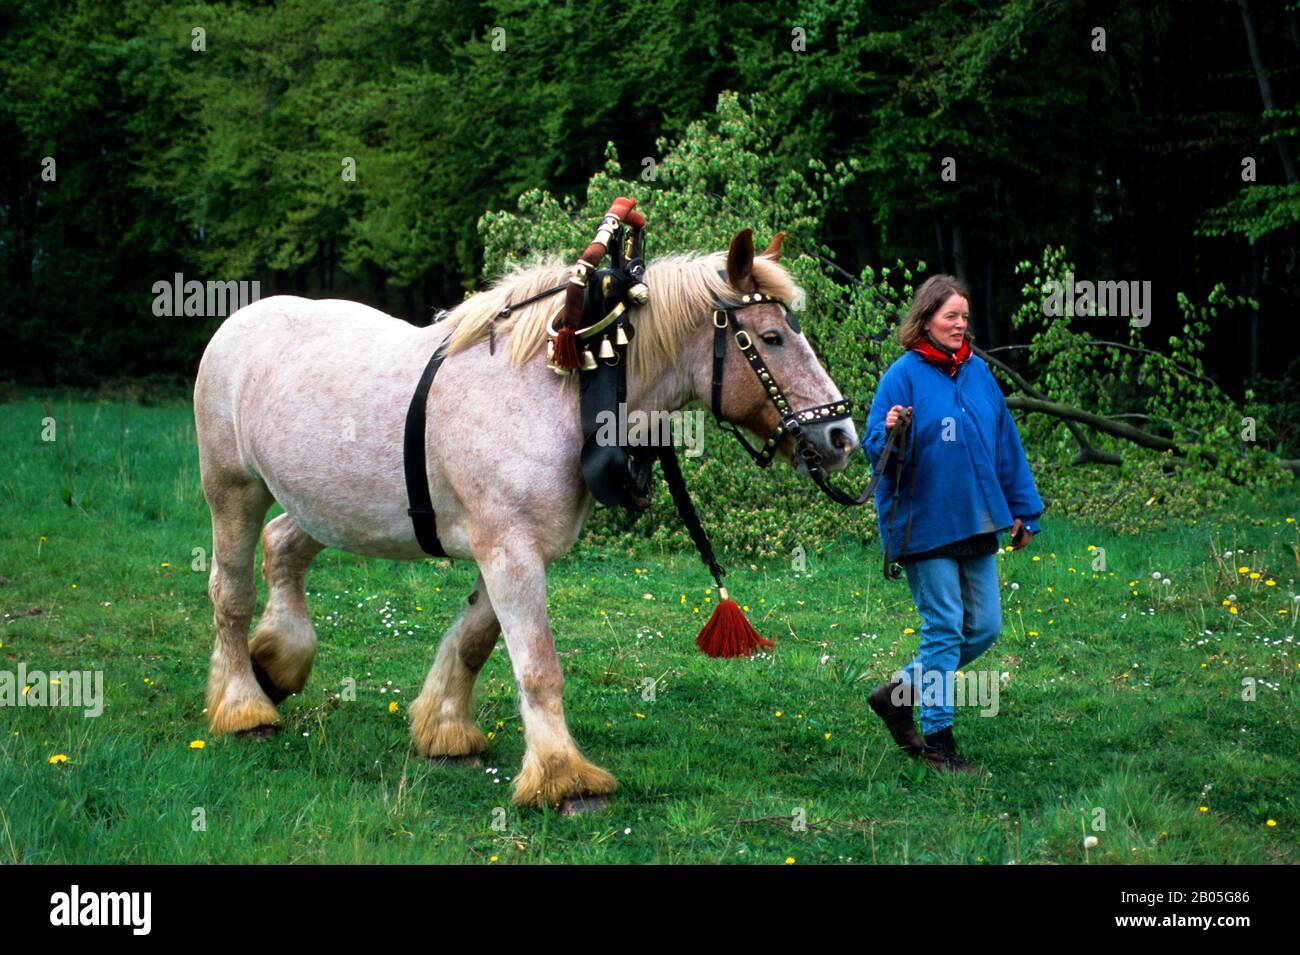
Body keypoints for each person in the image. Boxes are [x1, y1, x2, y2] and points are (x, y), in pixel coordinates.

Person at [861, 275, 1044, 776]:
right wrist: (892, 430)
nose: (960, 324)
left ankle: (897, 695)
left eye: (965, 316)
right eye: (950, 316)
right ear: (926, 319)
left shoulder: (979, 375)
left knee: (983, 628)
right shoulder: (902, 374)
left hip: (977, 515)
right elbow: (873, 449)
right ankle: (939, 745)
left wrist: (1025, 509)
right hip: (923, 521)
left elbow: (1006, 442)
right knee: (943, 629)